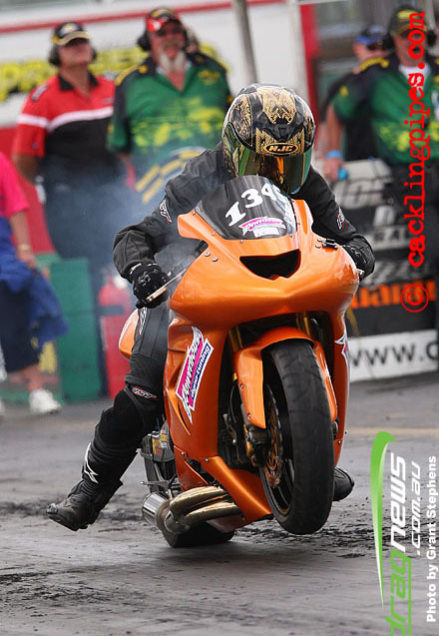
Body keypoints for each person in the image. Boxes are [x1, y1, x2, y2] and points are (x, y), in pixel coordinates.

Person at [47, 84, 375, 532]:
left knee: (319, 315)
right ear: (235, 150)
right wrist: (143, 270)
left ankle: (306, 448)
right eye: (265, 161)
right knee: (143, 392)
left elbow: (348, 235)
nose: (277, 171)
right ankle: (89, 488)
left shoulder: (306, 181)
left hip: (269, 281)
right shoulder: (200, 174)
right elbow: (135, 235)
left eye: (289, 161)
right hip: (192, 284)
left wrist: (358, 253)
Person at [11, 21, 128, 301]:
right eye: (70, 44)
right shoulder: (43, 97)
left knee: (129, 263)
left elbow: (126, 140)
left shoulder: (111, 89)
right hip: (71, 206)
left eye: (82, 42)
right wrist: (52, 182)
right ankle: (95, 341)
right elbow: (22, 156)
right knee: (85, 280)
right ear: (57, 53)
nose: (79, 48)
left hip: (113, 195)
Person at [325, 6, 439, 272]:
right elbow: (336, 109)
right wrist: (333, 153)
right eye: (405, 35)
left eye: (418, 34)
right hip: (409, 176)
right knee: (435, 251)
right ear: (393, 40)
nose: (412, 40)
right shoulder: (376, 75)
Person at [107, 6, 232, 214]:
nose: (169, 38)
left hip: (218, 181)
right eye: (161, 33)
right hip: (157, 189)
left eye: (175, 31)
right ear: (148, 41)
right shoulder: (130, 83)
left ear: (183, 36)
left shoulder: (213, 71)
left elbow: (235, 124)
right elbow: (120, 146)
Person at [0, 153, 67, 417]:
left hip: (2, 257)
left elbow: (15, 204)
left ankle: (37, 391)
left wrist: (26, 249)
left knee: (12, 317)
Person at [318, 24, 388, 179]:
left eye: (385, 47)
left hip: (399, 165)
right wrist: (328, 158)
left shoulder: (399, 81)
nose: (379, 53)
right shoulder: (343, 85)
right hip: (358, 167)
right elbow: (326, 126)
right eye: (372, 47)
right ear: (358, 48)